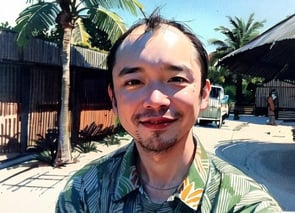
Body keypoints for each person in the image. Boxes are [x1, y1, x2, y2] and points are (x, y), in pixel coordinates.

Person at [56, 11, 282, 212]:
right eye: (134, 81)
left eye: (176, 79)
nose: (155, 101)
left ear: (203, 94)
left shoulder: (245, 204)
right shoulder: (83, 193)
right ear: (113, 99)